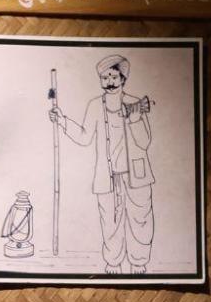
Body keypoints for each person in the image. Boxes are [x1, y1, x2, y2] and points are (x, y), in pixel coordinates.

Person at [50, 52, 155, 274]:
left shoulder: (135, 104)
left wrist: (134, 117)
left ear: (123, 79)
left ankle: (139, 262)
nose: (109, 82)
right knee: (110, 221)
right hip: (106, 177)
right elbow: (85, 137)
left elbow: (145, 142)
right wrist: (62, 121)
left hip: (136, 175)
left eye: (114, 77)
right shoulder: (95, 106)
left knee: (140, 219)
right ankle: (113, 262)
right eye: (105, 78)